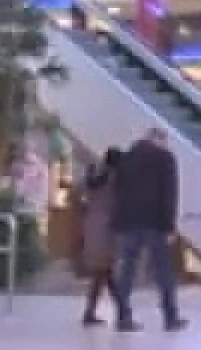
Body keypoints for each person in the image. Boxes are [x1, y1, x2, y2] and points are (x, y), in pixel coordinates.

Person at [110, 128, 187, 332]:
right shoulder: (165, 158)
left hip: (128, 221)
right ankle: (170, 316)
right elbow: (169, 193)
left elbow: (117, 188)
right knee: (163, 271)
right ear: (159, 140)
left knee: (127, 269)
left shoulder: (127, 158)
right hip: (155, 222)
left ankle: (123, 316)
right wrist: (170, 225)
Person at [75, 148, 122, 327]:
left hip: (92, 224)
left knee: (103, 272)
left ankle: (93, 312)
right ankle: (123, 311)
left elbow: (79, 192)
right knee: (105, 271)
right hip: (107, 226)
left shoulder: (92, 177)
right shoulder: (115, 180)